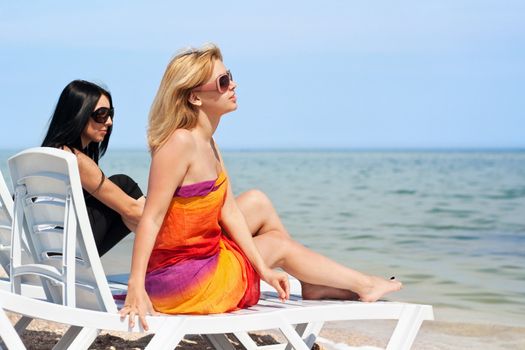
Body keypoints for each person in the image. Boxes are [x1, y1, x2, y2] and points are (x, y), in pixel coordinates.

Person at [120, 44, 402, 329]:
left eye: (229, 75)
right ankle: (363, 285)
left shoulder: (208, 142)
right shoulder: (179, 143)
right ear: (195, 97)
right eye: (223, 81)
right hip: (181, 280)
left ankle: (309, 281)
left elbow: (229, 211)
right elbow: (152, 218)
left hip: (200, 256)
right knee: (278, 243)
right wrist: (135, 286)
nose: (233, 84)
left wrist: (264, 269)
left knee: (257, 201)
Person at [41, 80, 145, 256]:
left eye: (110, 114)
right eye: (102, 114)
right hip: (70, 251)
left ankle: (170, 257)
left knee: (127, 200)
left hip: (46, 249)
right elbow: (132, 210)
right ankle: (175, 257)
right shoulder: (75, 159)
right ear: (79, 114)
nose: (109, 122)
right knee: (124, 185)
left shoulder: (49, 154)